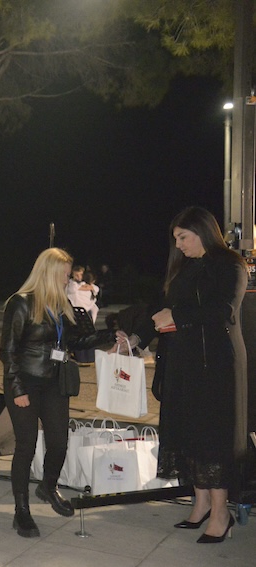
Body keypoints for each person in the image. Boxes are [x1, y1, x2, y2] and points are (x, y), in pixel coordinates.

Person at [119, 206, 247, 544]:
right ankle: (201, 504)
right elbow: (158, 309)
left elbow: (224, 310)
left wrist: (176, 315)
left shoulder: (230, 264)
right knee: (187, 433)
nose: (178, 245)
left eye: (183, 237)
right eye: (175, 239)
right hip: (181, 364)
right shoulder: (184, 268)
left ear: (202, 232)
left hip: (215, 366)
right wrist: (135, 338)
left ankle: (221, 513)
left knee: (212, 437)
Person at [0, 248, 114, 538]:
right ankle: (21, 511)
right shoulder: (21, 303)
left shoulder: (61, 304)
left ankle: (48, 486)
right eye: (64, 274)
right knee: (25, 447)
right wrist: (17, 389)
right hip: (24, 383)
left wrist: (112, 335)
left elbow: (77, 340)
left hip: (54, 382)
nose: (68, 279)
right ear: (49, 272)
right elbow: (8, 351)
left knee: (59, 442)